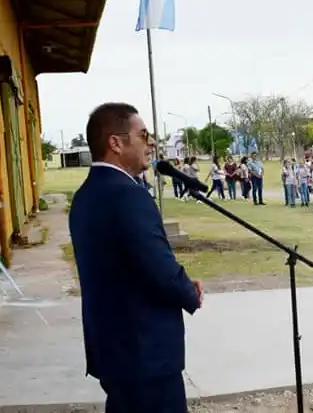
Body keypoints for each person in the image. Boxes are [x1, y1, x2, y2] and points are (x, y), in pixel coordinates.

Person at [68, 103, 202, 413]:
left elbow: (126, 264)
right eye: (143, 135)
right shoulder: (128, 195)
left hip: (113, 349)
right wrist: (187, 291)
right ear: (115, 143)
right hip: (145, 354)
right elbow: (159, 267)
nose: (151, 142)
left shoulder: (87, 194)